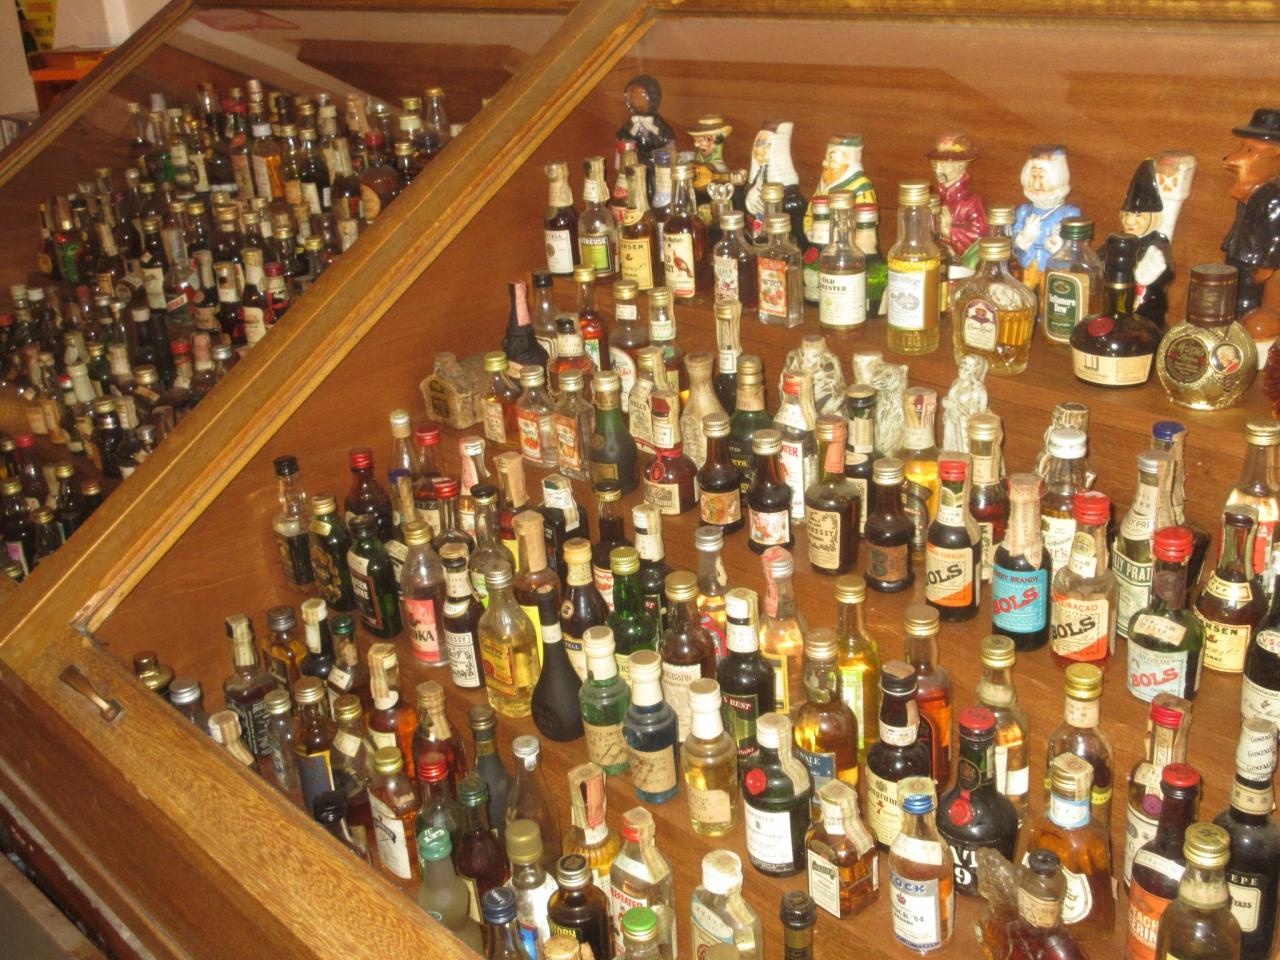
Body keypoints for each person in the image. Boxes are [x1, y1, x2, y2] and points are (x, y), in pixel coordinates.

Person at [1013, 145, 1081, 293]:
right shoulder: (1023, 211)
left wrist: (1059, 248)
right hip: (1027, 264)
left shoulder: (1069, 213)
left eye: (1042, 177)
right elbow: (1013, 241)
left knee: (1050, 296)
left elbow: (1076, 248)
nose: (1037, 184)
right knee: (1023, 297)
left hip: (1054, 268)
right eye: (1033, 177)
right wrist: (1024, 239)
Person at [929, 133, 987, 267]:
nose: (938, 169)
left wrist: (949, 230)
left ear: (961, 165)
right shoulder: (934, 197)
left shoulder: (971, 202)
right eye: (935, 164)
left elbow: (980, 237)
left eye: (944, 165)